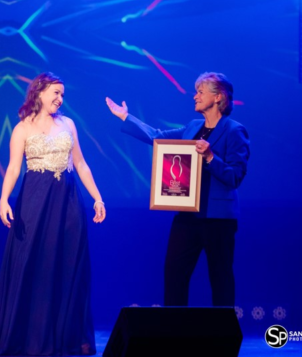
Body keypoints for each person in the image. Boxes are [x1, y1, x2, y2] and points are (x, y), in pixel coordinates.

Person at [0, 72, 106, 356]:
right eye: (55, 93)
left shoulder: (69, 124)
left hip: (68, 200)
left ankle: (66, 335)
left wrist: (97, 197)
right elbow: (13, 168)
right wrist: (3, 199)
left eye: (62, 95)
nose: (60, 99)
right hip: (36, 200)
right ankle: (32, 336)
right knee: (36, 264)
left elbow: (82, 164)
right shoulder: (22, 128)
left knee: (68, 263)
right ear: (39, 92)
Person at [106, 72, 249, 307]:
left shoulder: (234, 131)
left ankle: (221, 336)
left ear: (218, 97)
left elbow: (235, 176)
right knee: (174, 273)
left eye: (201, 92)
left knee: (220, 278)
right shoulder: (193, 127)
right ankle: (175, 333)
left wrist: (211, 157)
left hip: (218, 219)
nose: (195, 96)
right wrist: (126, 117)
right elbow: (158, 137)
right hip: (188, 215)